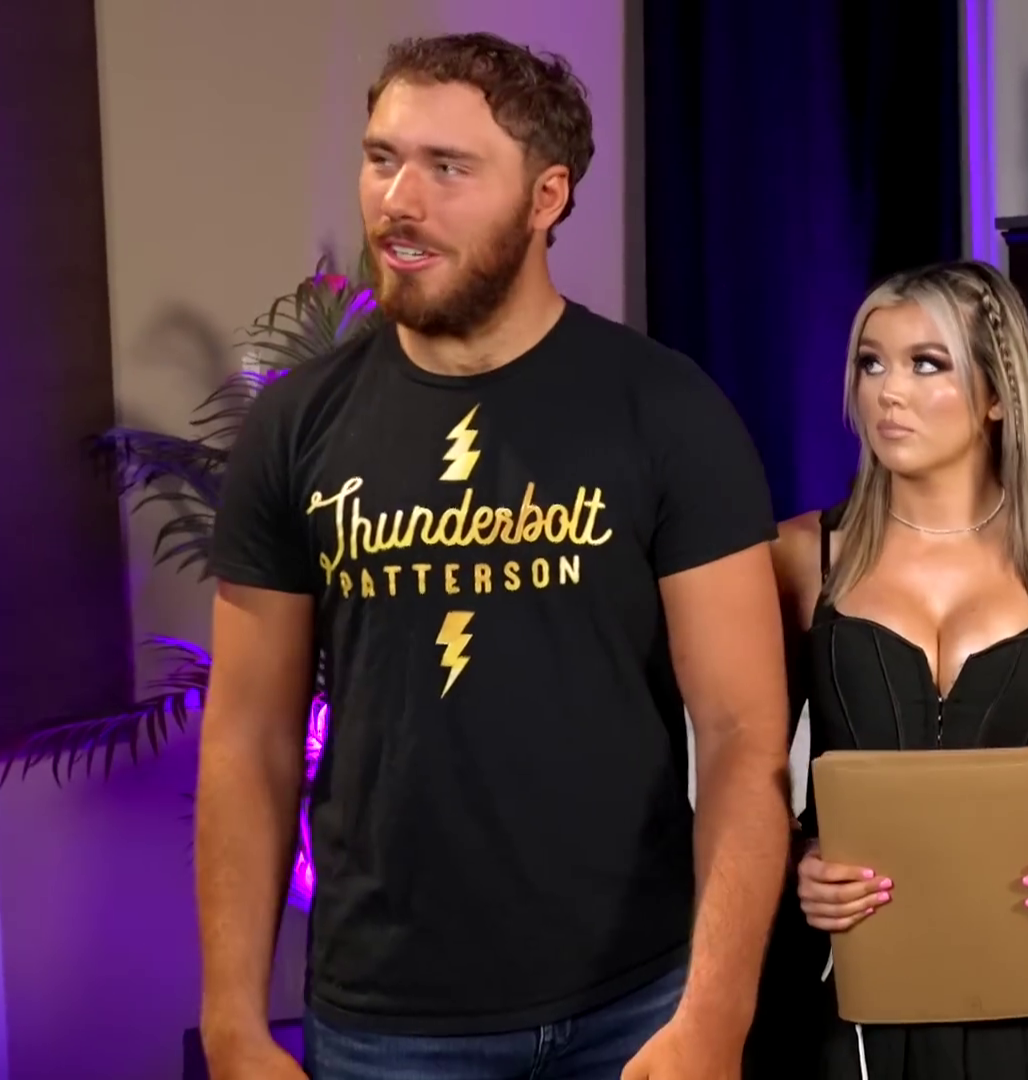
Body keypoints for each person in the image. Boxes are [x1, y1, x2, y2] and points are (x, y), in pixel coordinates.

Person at [195, 32, 791, 1080]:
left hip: (636, 1007)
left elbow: (744, 738)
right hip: (385, 1025)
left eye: (448, 167)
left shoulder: (667, 412)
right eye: (382, 159)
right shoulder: (294, 431)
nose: (399, 201)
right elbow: (248, 738)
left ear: (546, 196)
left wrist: (717, 1013)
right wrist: (234, 1021)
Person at [763, 260, 1028, 1078]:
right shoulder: (802, 556)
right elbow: (747, 774)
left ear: (996, 396)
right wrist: (799, 859)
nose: (888, 391)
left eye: (927, 363)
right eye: (871, 362)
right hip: (858, 989)